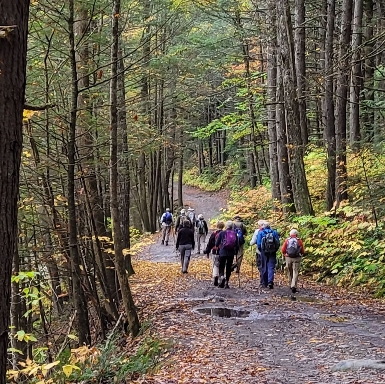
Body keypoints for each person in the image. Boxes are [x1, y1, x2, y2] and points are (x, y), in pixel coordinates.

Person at [256, 221, 280, 289]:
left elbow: (258, 244)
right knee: (271, 267)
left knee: (264, 266)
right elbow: (277, 243)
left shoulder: (261, 232)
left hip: (264, 252)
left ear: (263, 226)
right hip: (272, 252)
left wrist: (261, 250)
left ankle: (264, 283)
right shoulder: (274, 232)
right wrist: (275, 250)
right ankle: (270, 282)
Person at [215, 221, 238, 289]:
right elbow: (236, 244)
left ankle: (222, 277)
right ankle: (227, 282)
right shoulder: (234, 233)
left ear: (226, 226)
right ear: (232, 226)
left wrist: (218, 246)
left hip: (222, 252)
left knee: (221, 266)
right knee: (228, 267)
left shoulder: (222, 233)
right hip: (231, 253)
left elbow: (217, 243)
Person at [281, 229, 304, 293]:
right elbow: (302, 250)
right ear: (296, 234)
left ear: (290, 234)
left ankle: (291, 283)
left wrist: (285, 254)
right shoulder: (299, 241)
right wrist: (301, 254)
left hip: (288, 258)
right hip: (297, 258)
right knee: (295, 271)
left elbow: (283, 250)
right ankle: (293, 285)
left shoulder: (287, 240)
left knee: (289, 270)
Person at [204, 221, 224, 286]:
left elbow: (210, 243)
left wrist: (207, 251)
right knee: (222, 265)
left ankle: (215, 276)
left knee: (215, 265)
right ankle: (222, 277)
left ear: (217, 226)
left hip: (215, 251)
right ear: (223, 226)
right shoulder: (225, 233)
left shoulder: (214, 233)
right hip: (223, 252)